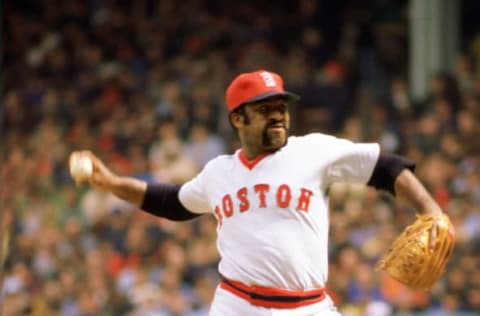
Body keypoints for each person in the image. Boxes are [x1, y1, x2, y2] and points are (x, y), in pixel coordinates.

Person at [71, 70, 446, 316]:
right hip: (237, 304)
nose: (279, 116)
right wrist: (109, 183)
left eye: (282, 107)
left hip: (308, 307)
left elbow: (386, 166)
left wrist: (432, 211)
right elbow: (171, 202)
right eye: (266, 109)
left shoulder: (313, 150)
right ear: (238, 118)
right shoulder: (219, 172)